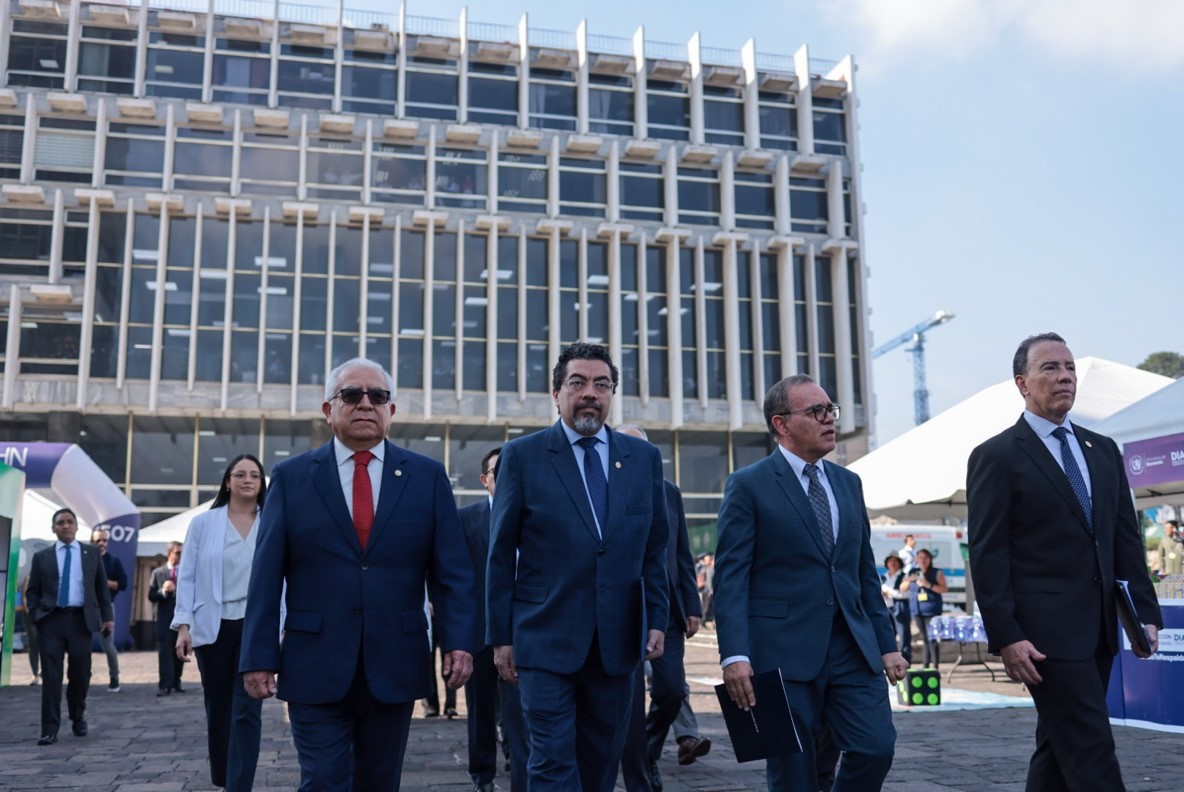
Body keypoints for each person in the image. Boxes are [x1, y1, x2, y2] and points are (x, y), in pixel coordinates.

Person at [241, 357, 476, 791]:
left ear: (392, 411)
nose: (365, 403)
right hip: (314, 661)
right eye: (352, 395)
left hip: (395, 661)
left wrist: (459, 642)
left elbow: (452, 573)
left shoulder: (427, 477)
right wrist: (258, 655)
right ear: (329, 410)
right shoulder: (292, 478)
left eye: (378, 396)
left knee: (379, 782)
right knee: (324, 780)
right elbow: (266, 575)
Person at [967, 332, 1163, 791]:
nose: (1064, 377)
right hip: (1042, 638)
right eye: (1050, 368)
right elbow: (988, 553)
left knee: (1058, 747)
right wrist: (1007, 635)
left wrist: (1145, 615)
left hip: (1098, 630)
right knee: (1090, 744)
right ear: (1022, 383)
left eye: (1069, 368)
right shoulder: (996, 456)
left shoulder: (1103, 450)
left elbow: (1125, 541)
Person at [487, 342, 670, 792]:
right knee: (550, 763)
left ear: (611, 394)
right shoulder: (523, 456)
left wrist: (657, 619)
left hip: (618, 642)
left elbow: (654, 549)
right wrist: (501, 636)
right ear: (556, 393)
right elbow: (499, 553)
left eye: (601, 384)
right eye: (578, 383)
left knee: (600, 764)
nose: (591, 393)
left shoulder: (642, 458)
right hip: (544, 639)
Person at [714, 374, 907, 790]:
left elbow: (861, 573)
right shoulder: (748, 485)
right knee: (793, 775)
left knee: (876, 748)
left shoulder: (848, 483)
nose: (829, 419)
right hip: (780, 653)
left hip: (853, 649)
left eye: (830, 410)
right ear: (782, 424)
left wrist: (886, 645)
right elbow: (731, 578)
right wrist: (734, 656)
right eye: (816, 411)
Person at [614, 424, 705, 792]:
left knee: (670, 692)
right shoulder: (604, 488)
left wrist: (692, 604)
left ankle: (648, 750)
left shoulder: (669, 493)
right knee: (629, 702)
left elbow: (681, 553)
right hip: (620, 612)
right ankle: (639, 774)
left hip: (666, 610)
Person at [172, 454, 267, 792]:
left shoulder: (272, 520)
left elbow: (287, 578)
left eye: (254, 475)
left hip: (256, 625)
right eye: (239, 474)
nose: (247, 480)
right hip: (212, 625)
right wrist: (183, 625)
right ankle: (224, 778)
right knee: (219, 708)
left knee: (248, 708)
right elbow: (188, 577)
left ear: (261, 483)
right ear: (227, 481)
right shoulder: (204, 523)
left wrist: (283, 624)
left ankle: (239, 785)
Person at [459, 447, 527, 792]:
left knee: (520, 712)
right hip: (479, 633)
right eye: (498, 472)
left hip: (524, 633)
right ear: (485, 479)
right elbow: (455, 577)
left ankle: (520, 771)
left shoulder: (532, 516)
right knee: (481, 711)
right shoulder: (466, 519)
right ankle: (481, 776)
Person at [24, 507, 113, 745]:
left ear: (76, 526)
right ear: (53, 528)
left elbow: (101, 589)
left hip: (80, 622)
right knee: (51, 676)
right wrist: (36, 614)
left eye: (69, 521)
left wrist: (107, 617)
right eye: (60, 522)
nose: (65, 525)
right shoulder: (42, 557)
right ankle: (49, 728)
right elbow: (32, 591)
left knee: (81, 673)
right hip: (50, 621)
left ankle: (78, 717)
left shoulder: (91, 553)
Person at [90, 528, 127, 692]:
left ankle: (114, 677)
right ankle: (82, 677)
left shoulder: (113, 561)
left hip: (106, 608)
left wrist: (104, 582)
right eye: (98, 540)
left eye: (104, 540)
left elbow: (123, 584)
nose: (101, 543)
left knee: (108, 645)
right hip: (86, 607)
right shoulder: (86, 559)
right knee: (80, 645)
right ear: (92, 541)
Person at [148, 541, 185, 696]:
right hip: (164, 620)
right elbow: (151, 596)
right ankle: (165, 684)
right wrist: (163, 591)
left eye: (182, 553)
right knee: (165, 653)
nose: (180, 556)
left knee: (180, 652)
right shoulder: (158, 573)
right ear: (169, 553)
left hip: (181, 620)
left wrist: (176, 590)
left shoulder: (185, 572)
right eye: (177, 552)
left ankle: (176, 681)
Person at [899, 549, 946, 669]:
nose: (923, 560)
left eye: (925, 558)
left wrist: (928, 584)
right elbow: (902, 588)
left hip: (932, 610)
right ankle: (925, 667)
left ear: (930, 559)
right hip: (917, 610)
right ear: (916, 559)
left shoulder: (936, 572)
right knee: (925, 638)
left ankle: (935, 667)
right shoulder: (912, 572)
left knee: (932, 638)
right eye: (920, 558)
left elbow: (944, 589)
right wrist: (910, 579)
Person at [880, 554, 912, 664]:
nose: (893, 563)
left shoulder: (904, 576)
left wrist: (890, 593)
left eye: (895, 561)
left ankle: (906, 663)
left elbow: (907, 594)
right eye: (890, 561)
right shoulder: (883, 577)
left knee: (904, 637)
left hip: (900, 609)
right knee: (889, 636)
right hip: (886, 609)